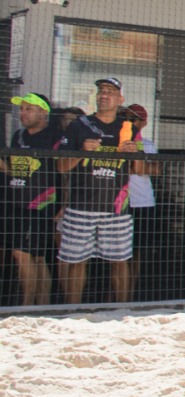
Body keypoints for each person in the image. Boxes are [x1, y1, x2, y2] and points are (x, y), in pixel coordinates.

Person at [58, 77, 145, 304]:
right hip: (81, 206)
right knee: (77, 261)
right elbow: (61, 166)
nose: (104, 95)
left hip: (116, 209)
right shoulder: (79, 125)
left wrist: (134, 154)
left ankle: (123, 310)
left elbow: (140, 170)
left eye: (110, 92)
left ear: (120, 99)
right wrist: (82, 152)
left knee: (120, 261)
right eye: (101, 91)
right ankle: (73, 310)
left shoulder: (129, 128)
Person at [3, 91, 67, 306]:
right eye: (22, 109)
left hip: (41, 205)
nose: (23, 112)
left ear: (43, 112)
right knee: (37, 258)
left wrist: (64, 204)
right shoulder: (18, 136)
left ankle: (26, 306)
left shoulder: (55, 137)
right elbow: (14, 169)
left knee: (21, 254)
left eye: (29, 108)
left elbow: (65, 173)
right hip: (18, 203)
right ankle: (42, 305)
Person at [122, 105, 161, 299]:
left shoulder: (148, 145)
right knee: (119, 252)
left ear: (144, 122)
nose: (129, 122)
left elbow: (156, 170)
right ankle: (116, 293)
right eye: (126, 118)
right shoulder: (116, 142)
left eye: (134, 119)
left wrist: (136, 167)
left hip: (142, 202)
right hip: (118, 203)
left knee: (137, 251)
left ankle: (130, 293)